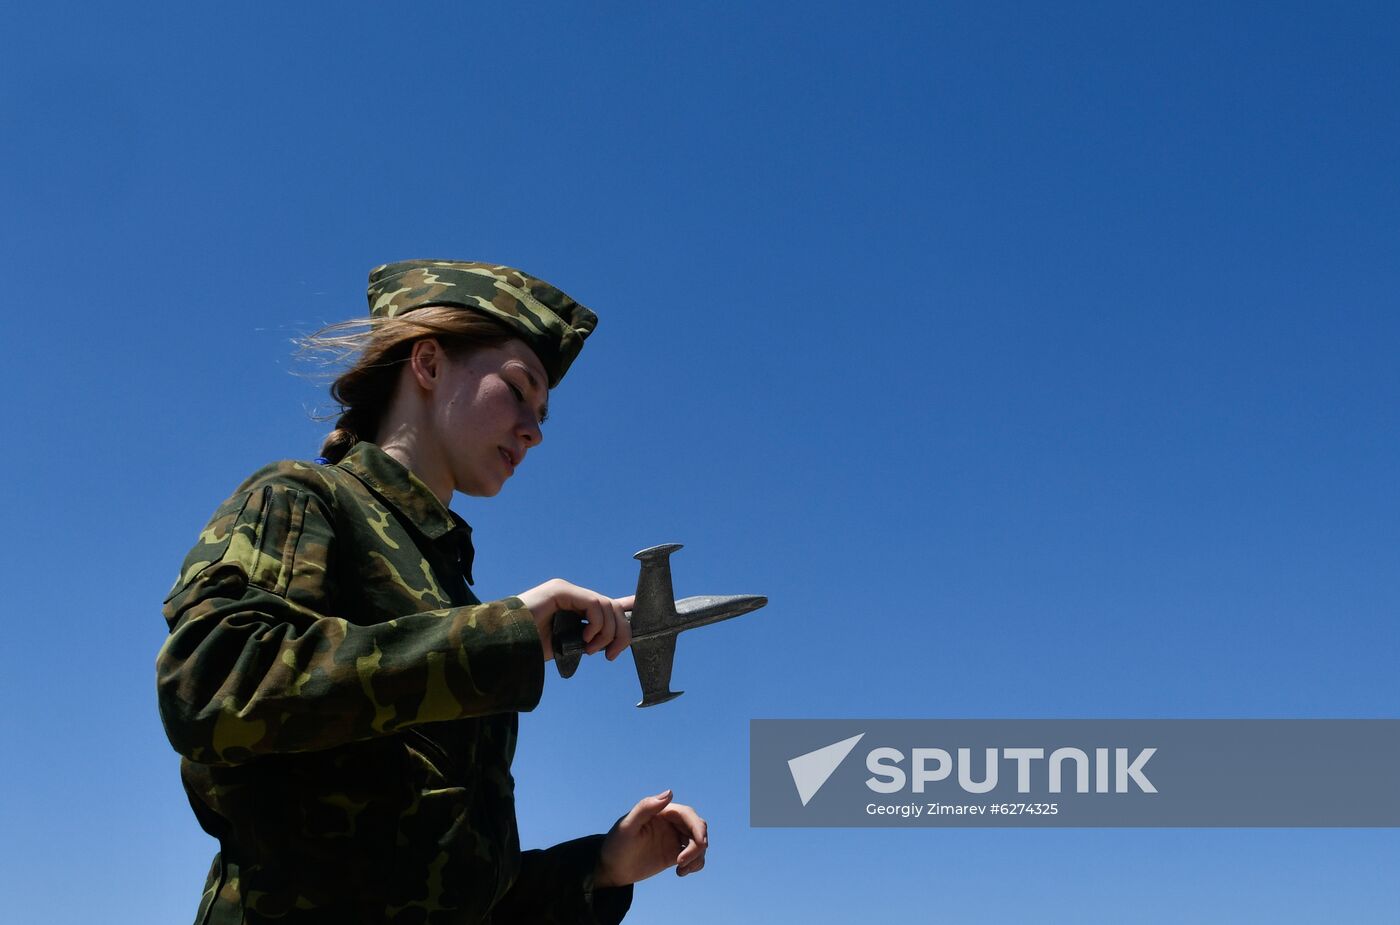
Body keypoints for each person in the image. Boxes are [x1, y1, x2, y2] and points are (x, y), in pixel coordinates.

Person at [157, 259, 708, 924]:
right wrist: (497, 637)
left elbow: (448, 892)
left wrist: (603, 867)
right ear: (427, 363)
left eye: (542, 414)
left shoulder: (453, 594)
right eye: (518, 389)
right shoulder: (306, 499)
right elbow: (213, 686)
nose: (535, 429)